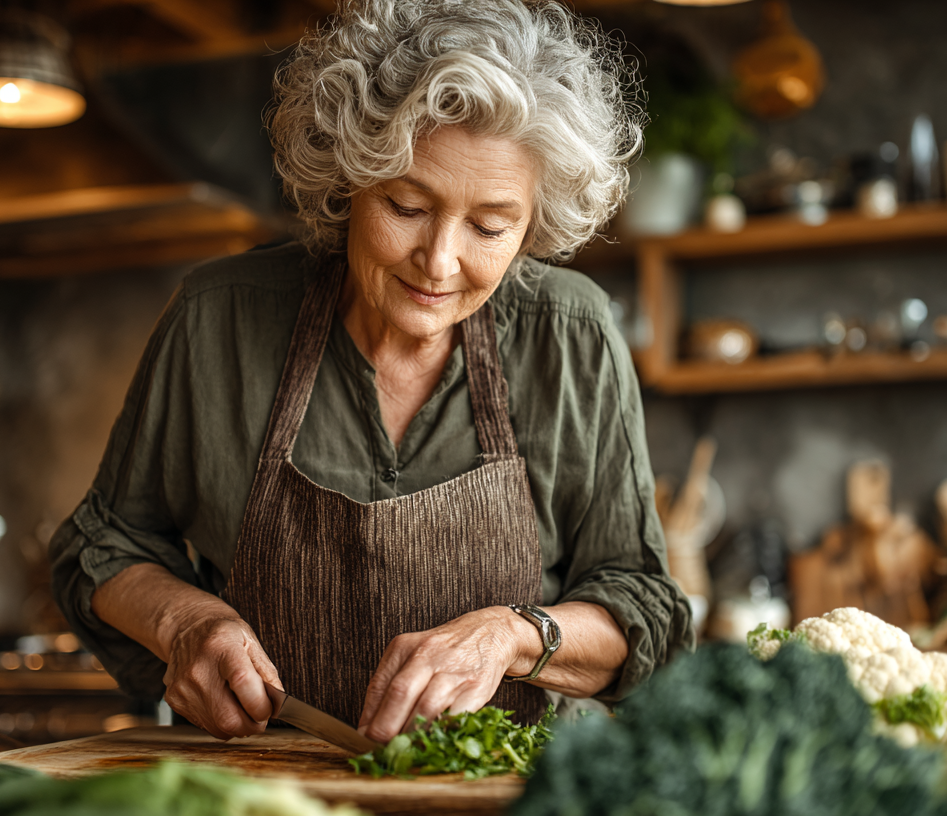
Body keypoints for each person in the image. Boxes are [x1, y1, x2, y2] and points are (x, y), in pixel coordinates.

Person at [49, 0, 692, 744]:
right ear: (350, 175)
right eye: (407, 205)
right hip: (261, 788)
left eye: (490, 226)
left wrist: (514, 637)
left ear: (533, 223)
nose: (441, 261)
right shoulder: (216, 319)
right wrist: (186, 620)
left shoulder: (571, 335)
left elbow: (644, 605)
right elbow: (102, 546)